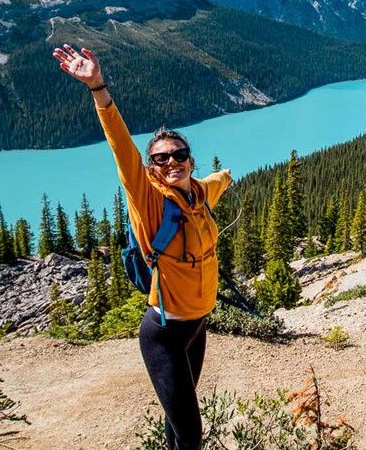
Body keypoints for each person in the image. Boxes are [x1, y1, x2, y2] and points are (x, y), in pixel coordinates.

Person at [53, 43, 232, 450]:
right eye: (161, 159)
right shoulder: (148, 199)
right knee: (191, 434)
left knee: (176, 424)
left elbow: (215, 183)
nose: (171, 162)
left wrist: (227, 174)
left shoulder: (199, 194)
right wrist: (98, 88)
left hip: (198, 324)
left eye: (179, 155)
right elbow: (121, 148)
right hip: (165, 331)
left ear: (190, 160)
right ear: (151, 167)